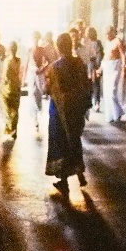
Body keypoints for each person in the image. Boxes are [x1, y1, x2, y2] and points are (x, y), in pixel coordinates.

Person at [45, 32, 92, 199]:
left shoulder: (54, 68)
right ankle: (80, 174)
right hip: (76, 110)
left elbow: (49, 89)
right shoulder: (79, 63)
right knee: (74, 140)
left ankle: (63, 181)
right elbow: (85, 84)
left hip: (59, 112)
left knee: (61, 143)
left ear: (58, 47)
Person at [100, 24, 126, 122]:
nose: (106, 36)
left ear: (112, 32)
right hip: (107, 67)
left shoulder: (118, 41)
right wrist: (100, 68)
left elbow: (123, 55)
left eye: (107, 33)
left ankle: (118, 113)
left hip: (115, 66)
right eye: (105, 34)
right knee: (107, 92)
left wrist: (124, 68)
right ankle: (112, 115)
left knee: (112, 91)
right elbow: (105, 56)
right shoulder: (107, 42)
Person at [0, 39, 22, 139]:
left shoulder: (7, 61)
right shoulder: (19, 60)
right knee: (15, 109)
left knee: (6, 107)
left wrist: (0, 85)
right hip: (16, 86)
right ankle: (14, 129)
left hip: (8, 87)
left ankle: (10, 126)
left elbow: (5, 76)